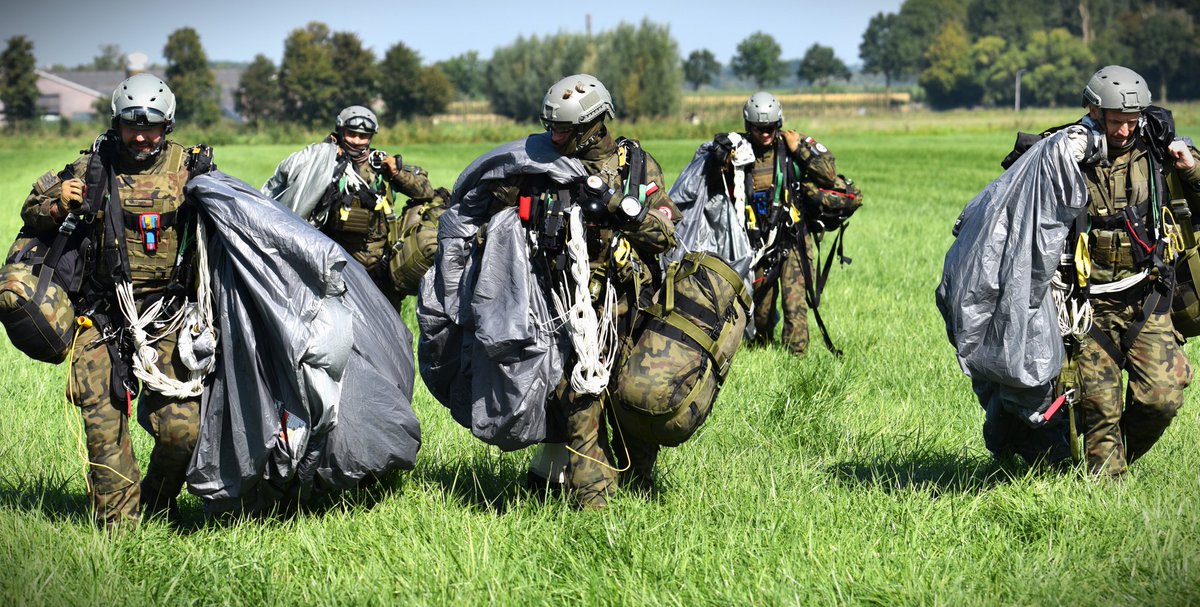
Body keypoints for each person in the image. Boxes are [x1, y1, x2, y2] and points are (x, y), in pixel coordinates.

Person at [20, 74, 217, 527]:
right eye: (132, 125)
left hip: (170, 317)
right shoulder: (92, 165)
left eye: (151, 126)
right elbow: (30, 214)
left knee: (182, 431)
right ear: (117, 122)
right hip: (102, 315)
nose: (141, 135)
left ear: (167, 124)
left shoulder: (192, 167)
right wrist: (57, 202)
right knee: (103, 428)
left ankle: (159, 500)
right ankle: (120, 528)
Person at [491, 74, 682, 508]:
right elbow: (492, 209)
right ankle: (594, 503)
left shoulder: (636, 167)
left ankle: (638, 487)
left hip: (628, 305)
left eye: (563, 130)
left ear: (594, 125)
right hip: (565, 307)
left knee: (630, 402)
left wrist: (618, 208)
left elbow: (665, 234)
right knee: (578, 397)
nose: (554, 137)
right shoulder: (539, 166)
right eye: (550, 128)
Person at [1063, 66, 1199, 476]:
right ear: (1094, 111)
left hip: (1147, 296)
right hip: (1086, 307)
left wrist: (1190, 168)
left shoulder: (1158, 150)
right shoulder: (1064, 154)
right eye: (1116, 121)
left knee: (1163, 397)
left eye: (1131, 121)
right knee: (1099, 409)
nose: (1124, 131)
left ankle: (1110, 457)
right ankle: (1106, 490)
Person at [264, 105, 435, 310]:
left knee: (387, 328)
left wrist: (397, 174)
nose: (357, 141)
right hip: (337, 264)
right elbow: (292, 189)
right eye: (351, 134)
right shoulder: (322, 162)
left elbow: (425, 192)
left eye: (363, 136)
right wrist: (326, 156)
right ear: (340, 131)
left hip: (380, 265)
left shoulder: (380, 163)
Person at [731, 92, 841, 356]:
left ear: (778, 123)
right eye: (760, 128)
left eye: (770, 127)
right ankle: (760, 353)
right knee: (761, 312)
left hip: (793, 240)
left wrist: (799, 150)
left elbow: (829, 174)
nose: (766, 134)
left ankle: (796, 359)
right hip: (757, 244)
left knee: (795, 307)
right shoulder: (738, 151)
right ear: (749, 126)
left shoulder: (791, 146)